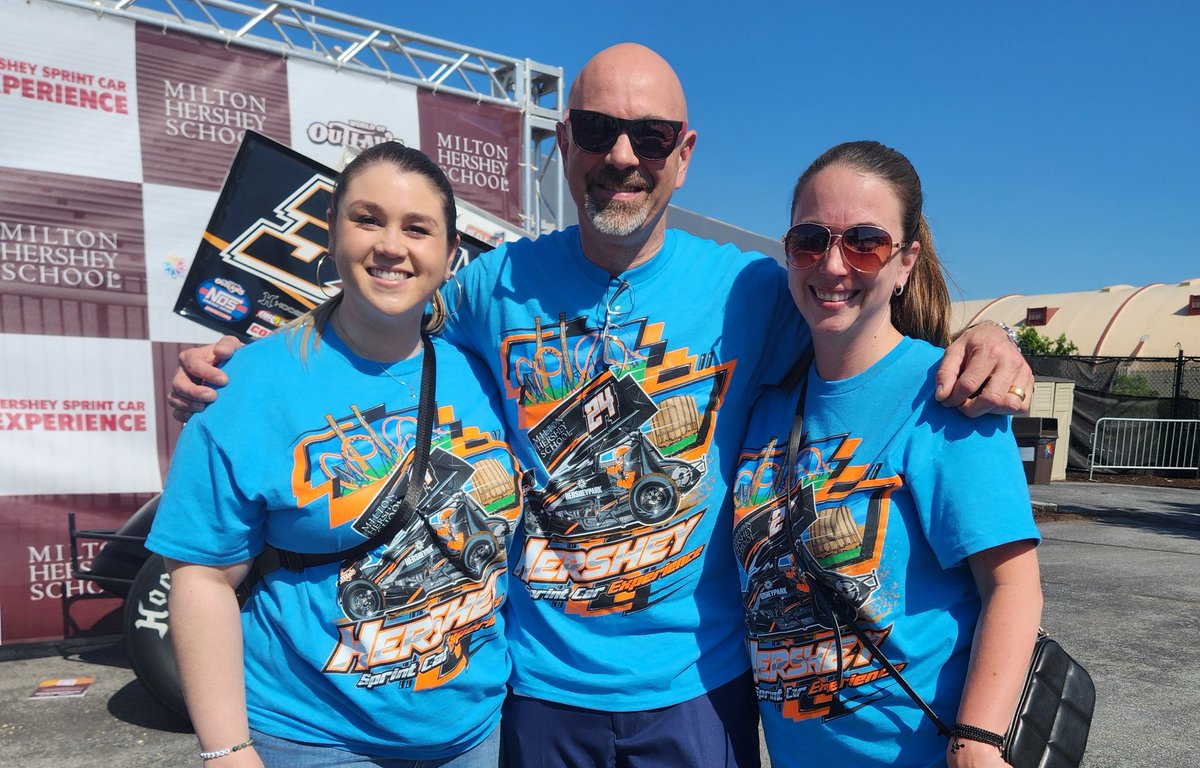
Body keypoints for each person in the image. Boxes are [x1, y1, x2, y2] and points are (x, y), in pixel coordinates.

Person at [168, 44, 1033, 768]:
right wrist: (244, 356)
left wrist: (990, 342)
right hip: (538, 689)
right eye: (597, 130)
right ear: (562, 142)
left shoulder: (756, 291)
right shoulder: (491, 286)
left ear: (683, 152)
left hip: (700, 684)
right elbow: (376, 315)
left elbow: (861, 321)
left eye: (650, 136)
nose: (623, 154)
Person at [147, 142, 522, 767]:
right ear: (332, 232)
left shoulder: (485, 375)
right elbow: (203, 577)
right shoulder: (247, 386)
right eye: (367, 219)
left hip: (473, 734)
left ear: (450, 256)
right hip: (313, 739)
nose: (392, 246)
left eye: (417, 228)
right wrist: (226, 751)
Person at [731, 140, 1043, 768]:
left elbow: (1014, 586)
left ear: (905, 263)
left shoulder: (951, 400)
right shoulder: (765, 408)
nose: (834, 264)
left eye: (865, 242)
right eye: (810, 240)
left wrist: (979, 741)